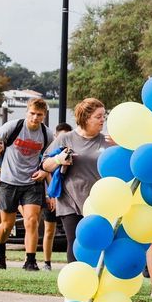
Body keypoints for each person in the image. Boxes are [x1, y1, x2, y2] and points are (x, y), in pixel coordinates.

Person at [0, 97, 50, 270]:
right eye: (32, 113)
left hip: (32, 181)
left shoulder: (47, 134)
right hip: (9, 181)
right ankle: (0, 249)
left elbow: (52, 157)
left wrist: (44, 170)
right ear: (27, 112)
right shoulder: (13, 127)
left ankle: (30, 261)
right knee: (6, 225)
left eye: (39, 115)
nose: (35, 118)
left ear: (44, 115)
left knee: (32, 220)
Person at [42, 99, 108, 264]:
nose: (103, 120)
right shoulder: (66, 139)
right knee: (75, 243)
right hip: (70, 201)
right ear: (86, 118)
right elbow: (45, 165)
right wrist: (58, 159)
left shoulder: (107, 141)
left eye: (103, 116)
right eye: (98, 116)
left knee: (96, 243)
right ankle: (75, 285)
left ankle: (95, 282)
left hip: (98, 203)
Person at [41, 122, 72, 271]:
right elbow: (46, 172)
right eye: (60, 137)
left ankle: (73, 263)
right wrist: (50, 195)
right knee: (49, 230)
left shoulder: (73, 151)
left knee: (71, 234)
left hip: (69, 197)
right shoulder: (51, 153)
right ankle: (47, 262)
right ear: (56, 136)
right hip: (53, 195)